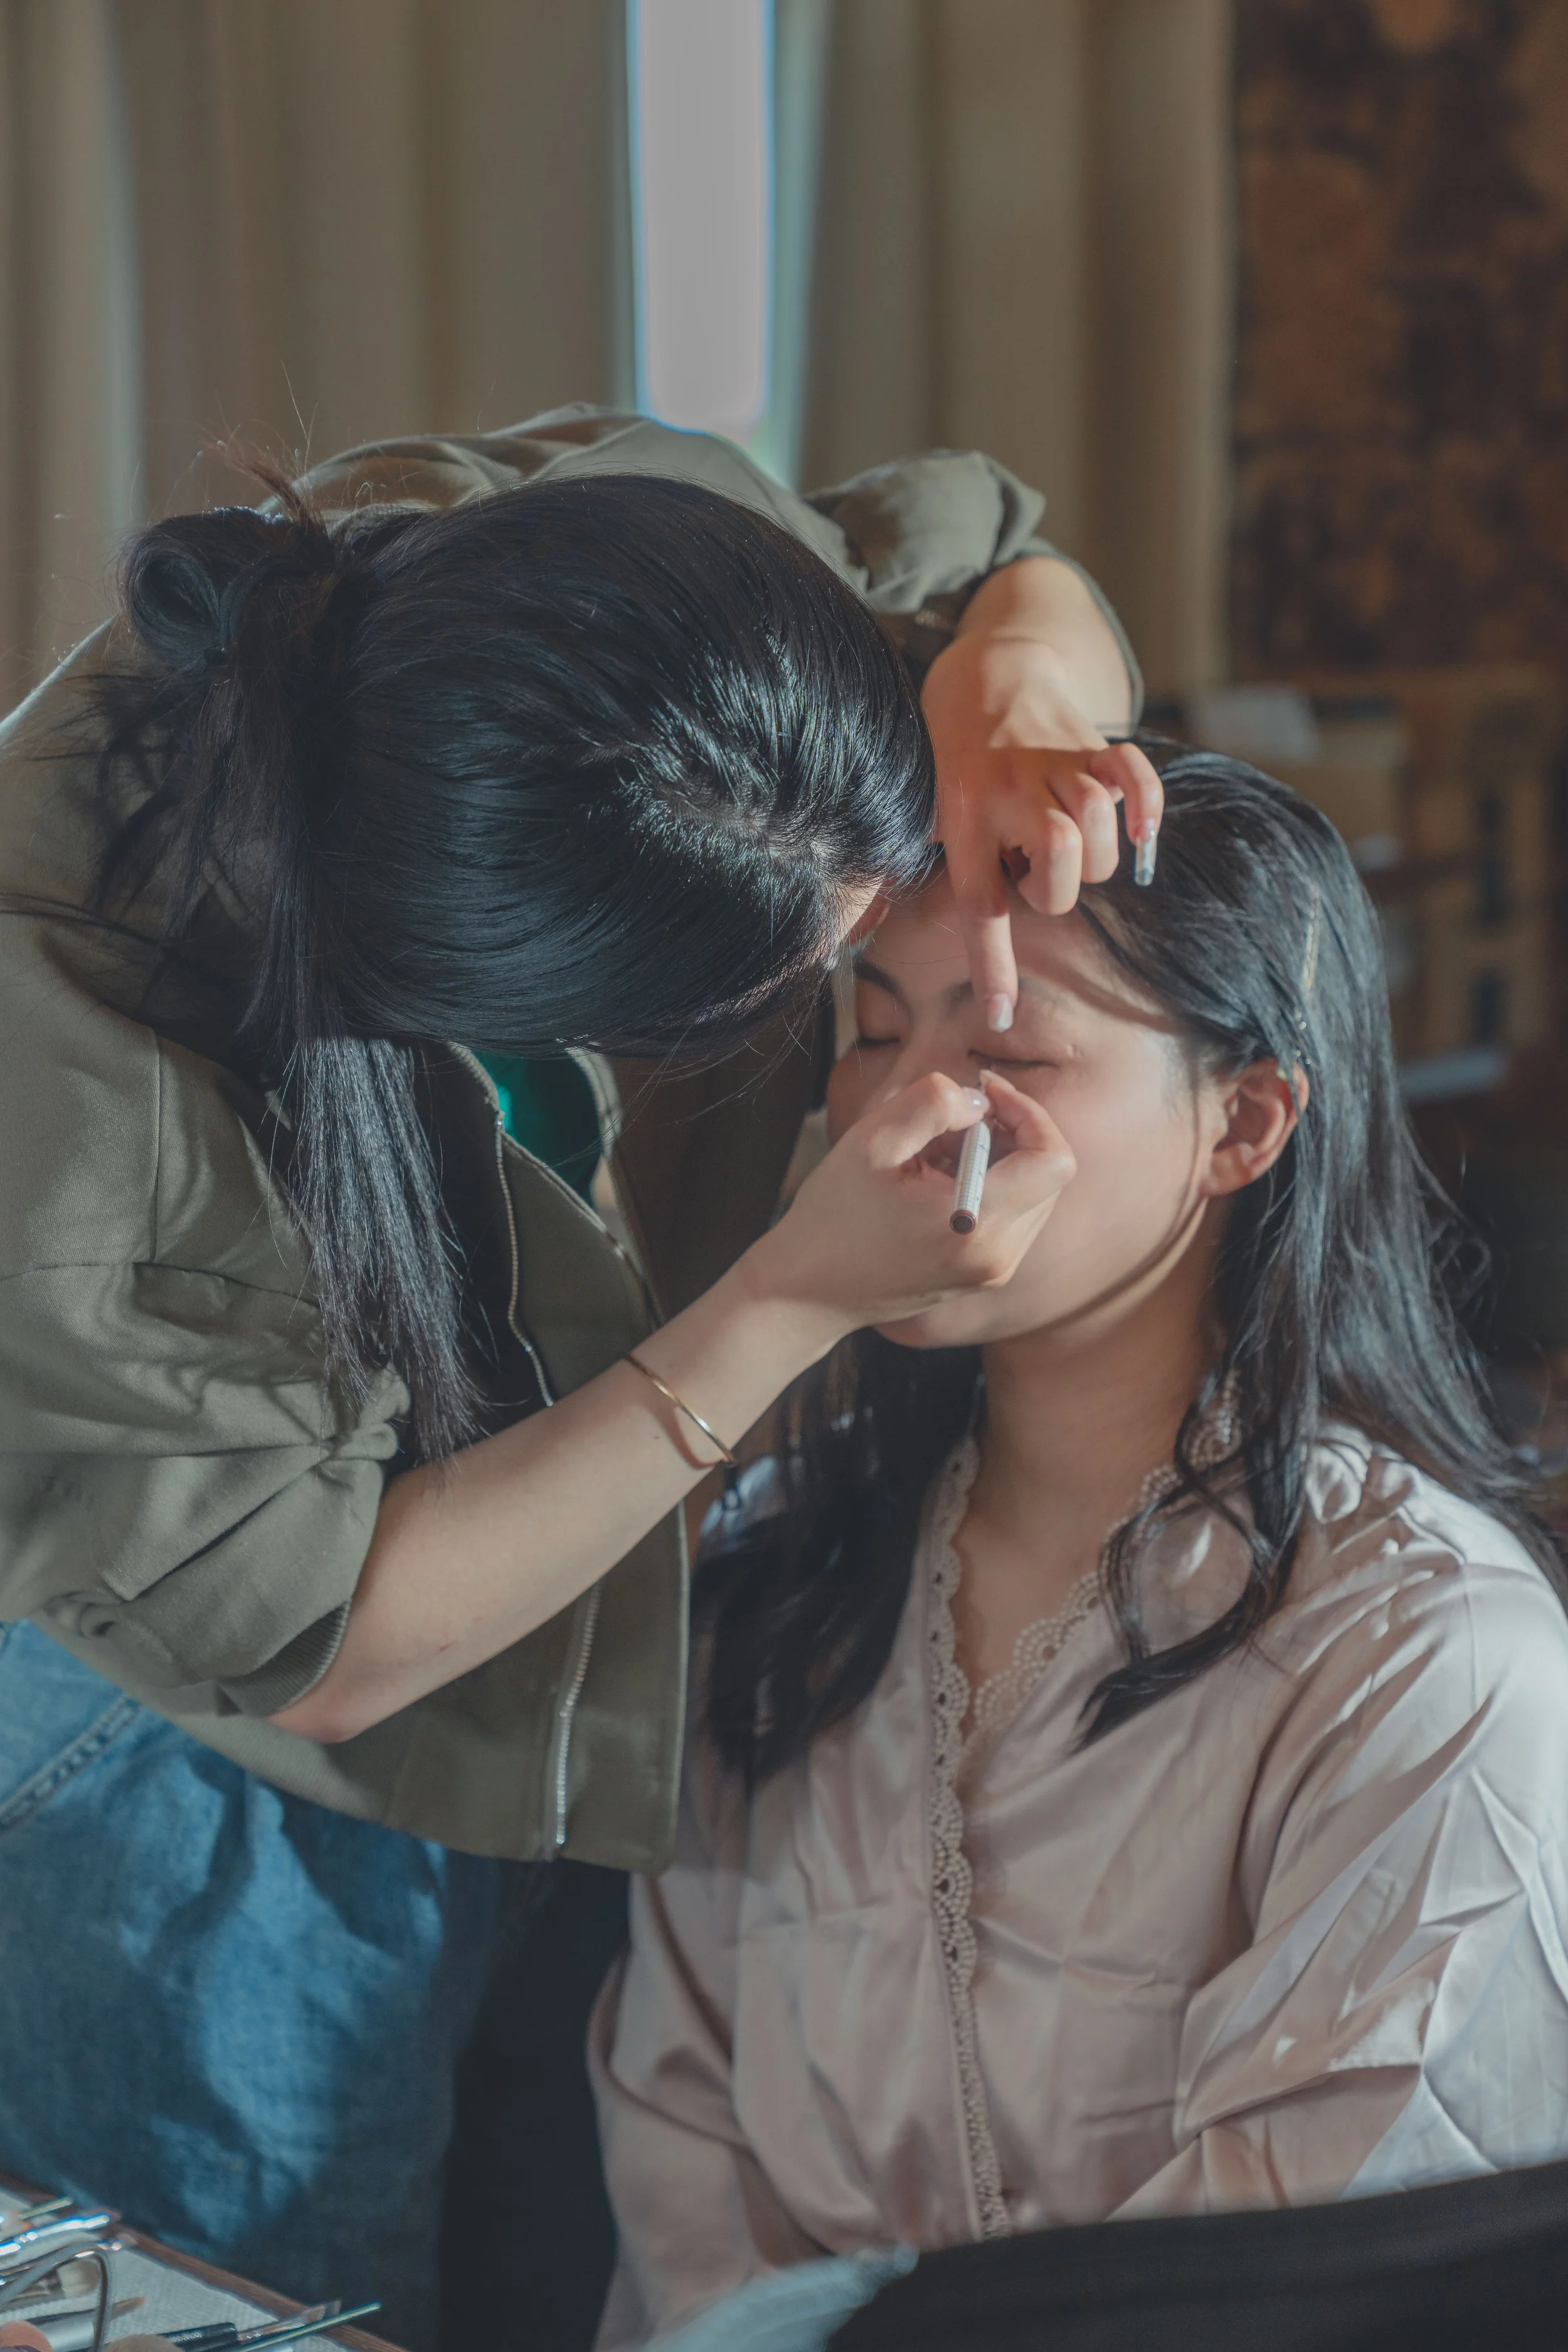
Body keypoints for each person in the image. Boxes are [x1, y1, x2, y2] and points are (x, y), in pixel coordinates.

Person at [0, 406, 1155, 2352]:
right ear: (513, 995)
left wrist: (1016, 678)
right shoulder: (67, 1095)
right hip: (205, 1772)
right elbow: (330, 1635)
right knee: (289, 2305)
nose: (900, 1037)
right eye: (841, 1004)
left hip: (590, 1663)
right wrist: (788, 1298)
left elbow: (994, 547)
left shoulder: (572, 577)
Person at [589, 753, 1568, 2349]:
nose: (902, 1117)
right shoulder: (784, 1557)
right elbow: (679, 2136)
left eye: (1009, 1048)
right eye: (874, 1030)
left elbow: (1312, 2262)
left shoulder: (1423, 1651)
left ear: (1241, 1122)